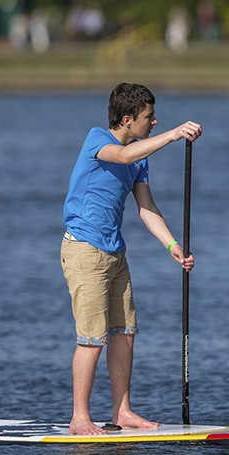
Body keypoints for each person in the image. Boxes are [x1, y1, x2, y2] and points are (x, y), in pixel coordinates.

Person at [61, 82, 202, 435]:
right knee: (92, 338)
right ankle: (79, 417)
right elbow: (122, 156)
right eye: (149, 117)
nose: (154, 122)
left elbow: (147, 208)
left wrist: (173, 248)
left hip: (115, 252)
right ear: (127, 119)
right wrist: (173, 136)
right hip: (84, 250)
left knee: (125, 332)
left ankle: (121, 411)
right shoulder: (97, 140)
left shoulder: (139, 157)